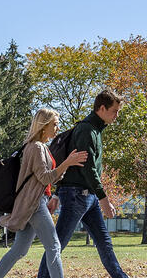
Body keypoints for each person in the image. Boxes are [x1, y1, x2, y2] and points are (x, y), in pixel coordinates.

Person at [0, 108, 90, 278]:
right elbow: (45, 178)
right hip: (35, 203)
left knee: (19, 250)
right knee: (54, 246)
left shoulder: (40, 146)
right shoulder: (35, 147)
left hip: (31, 203)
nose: (57, 128)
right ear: (44, 126)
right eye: (55, 125)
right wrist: (67, 163)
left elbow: (51, 178)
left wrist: (67, 165)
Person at [39, 90, 130, 278]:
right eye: (114, 111)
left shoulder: (96, 129)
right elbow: (88, 169)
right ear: (102, 108)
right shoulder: (87, 130)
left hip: (87, 196)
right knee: (58, 243)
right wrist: (104, 198)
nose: (116, 116)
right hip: (76, 196)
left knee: (104, 242)